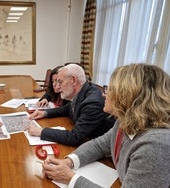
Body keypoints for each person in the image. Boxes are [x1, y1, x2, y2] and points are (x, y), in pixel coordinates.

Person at [41, 64, 170, 187]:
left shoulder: (155, 146)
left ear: (128, 97)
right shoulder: (125, 120)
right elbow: (100, 145)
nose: (104, 93)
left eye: (110, 89)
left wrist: (70, 178)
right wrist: (69, 162)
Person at [27, 64, 115, 146]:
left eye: (60, 82)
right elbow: (67, 108)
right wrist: (44, 113)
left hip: (100, 151)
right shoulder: (82, 91)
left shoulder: (92, 103)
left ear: (73, 80)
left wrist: (41, 132)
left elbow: (74, 137)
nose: (57, 87)